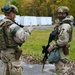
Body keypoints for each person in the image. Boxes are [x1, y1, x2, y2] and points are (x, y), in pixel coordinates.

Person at [0, 5, 33, 75]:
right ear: (11, 13)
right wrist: (29, 30)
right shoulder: (12, 26)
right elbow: (23, 38)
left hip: (3, 54)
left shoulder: (1, 24)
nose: (15, 15)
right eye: (14, 13)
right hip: (12, 55)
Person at [47, 6, 74, 74]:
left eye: (60, 13)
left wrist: (52, 47)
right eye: (58, 13)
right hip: (60, 49)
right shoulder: (62, 24)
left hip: (61, 50)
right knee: (60, 69)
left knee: (61, 70)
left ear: (65, 14)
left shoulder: (65, 25)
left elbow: (63, 40)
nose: (58, 15)